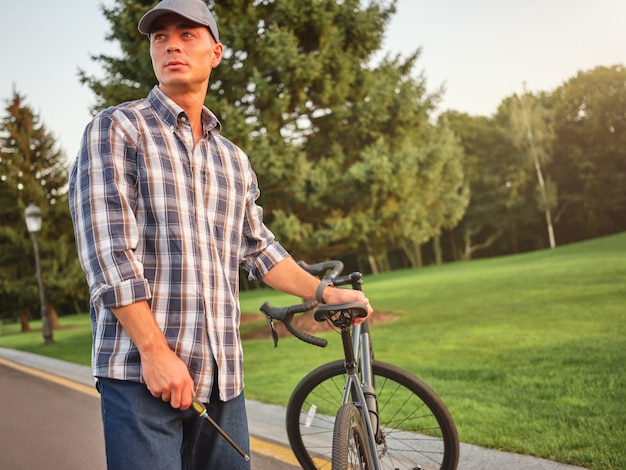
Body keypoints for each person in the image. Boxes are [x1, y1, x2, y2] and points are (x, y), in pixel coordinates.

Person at [68, 0, 371, 469]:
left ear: (215, 52)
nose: (172, 43)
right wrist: (154, 352)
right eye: (160, 36)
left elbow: (260, 248)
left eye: (188, 34)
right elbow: (107, 254)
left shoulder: (232, 159)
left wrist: (324, 292)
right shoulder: (115, 130)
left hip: (222, 378)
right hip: (141, 376)